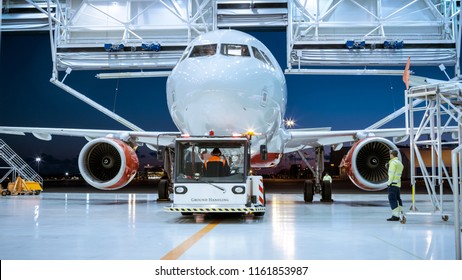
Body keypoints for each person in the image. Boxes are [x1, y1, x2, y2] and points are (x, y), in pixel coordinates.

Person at [386, 149, 404, 221]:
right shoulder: (399, 163)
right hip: (397, 184)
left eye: (390, 154)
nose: (389, 155)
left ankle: (395, 216)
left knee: (392, 199)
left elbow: (391, 174)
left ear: (392, 155)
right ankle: (400, 213)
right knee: (398, 199)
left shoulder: (393, 163)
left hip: (392, 184)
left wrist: (389, 183)